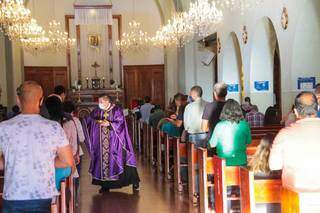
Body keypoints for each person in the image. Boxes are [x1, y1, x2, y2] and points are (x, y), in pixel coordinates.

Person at [0, 81, 74, 212]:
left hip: (13, 194)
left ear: (18, 100)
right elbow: (67, 161)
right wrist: (42, 160)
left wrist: (14, 161)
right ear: (41, 101)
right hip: (42, 193)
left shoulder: (3, 127)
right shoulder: (53, 127)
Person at [83, 94, 140, 193]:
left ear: (107, 102)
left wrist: (109, 124)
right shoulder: (97, 110)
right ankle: (105, 185)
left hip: (116, 142)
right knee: (102, 161)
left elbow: (121, 123)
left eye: (101, 102)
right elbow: (90, 119)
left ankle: (134, 181)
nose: (99, 104)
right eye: (99, 102)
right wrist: (92, 122)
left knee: (123, 159)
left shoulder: (117, 110)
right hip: (101, 143)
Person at [269, 92, 320, 192]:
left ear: (295, 112)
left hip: (296, 195)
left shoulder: (284, 134)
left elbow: (274, 165)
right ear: (317, 108)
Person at [208, 99, 252, 166]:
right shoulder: (245, 124)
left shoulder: (219, 125)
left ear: (224, 111)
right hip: (241, 161)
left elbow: (212, 144)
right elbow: (248, 141)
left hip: (224, 162)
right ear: (239, 111)